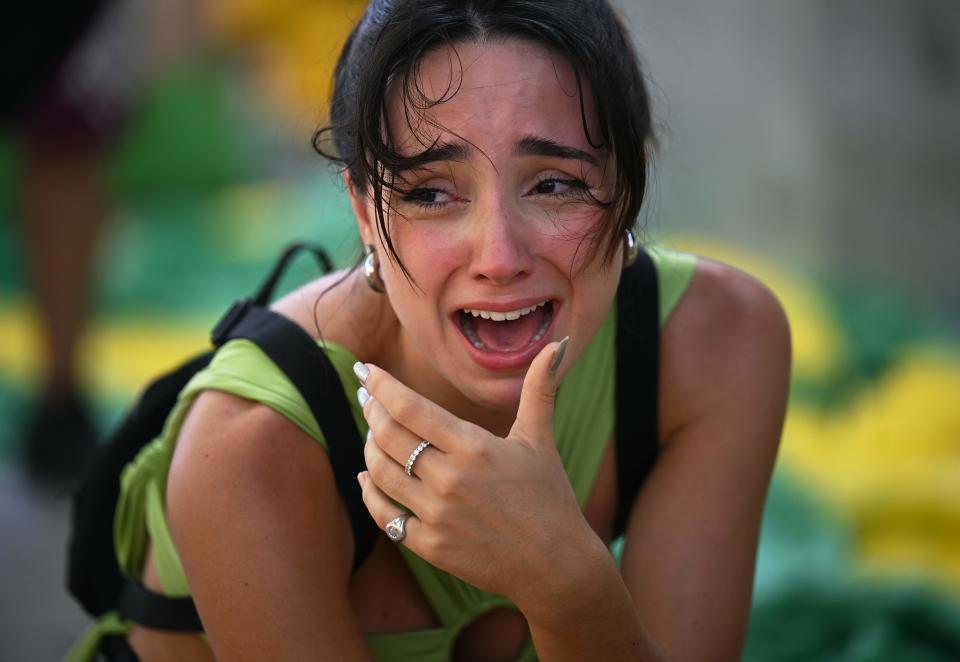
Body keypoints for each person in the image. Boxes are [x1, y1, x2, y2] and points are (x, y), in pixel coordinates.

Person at [70, 0, 791, 659]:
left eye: (555, 183)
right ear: (361, 213)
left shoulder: (719, 344)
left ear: (629, 186)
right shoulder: (251, 448)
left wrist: (565, 584)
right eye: (431, 193)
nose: (500, 257)